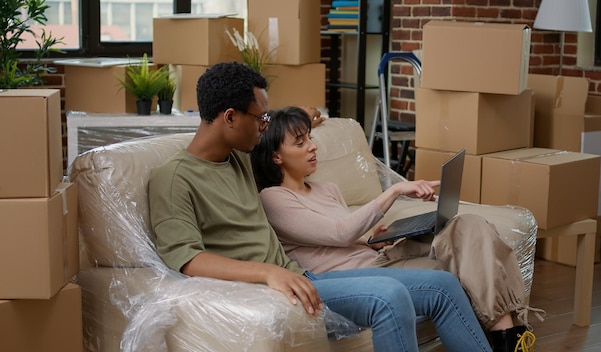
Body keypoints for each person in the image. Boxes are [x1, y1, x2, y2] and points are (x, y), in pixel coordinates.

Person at [148, 62, 494, 352]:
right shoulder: (174, 178)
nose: (264, 126)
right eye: (260, 118)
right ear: (229, 117)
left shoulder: (237, 157)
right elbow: (188, 259)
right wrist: (269, 272)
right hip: (270, 287)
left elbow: (281, 140)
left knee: (443, 285)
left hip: (303, 276)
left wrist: (306, 117)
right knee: (389, 296)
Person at [250, 106, 545, 352]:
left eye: (310, 138)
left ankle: (509, 335)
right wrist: (395, 191)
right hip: (350, 279)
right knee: (451, 275)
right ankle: (507, 340)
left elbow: (350, 236)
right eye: (300, 143)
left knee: (470, 226)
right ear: (276, 156)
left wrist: (374, 238)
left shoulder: (326, 189)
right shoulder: (274, 198)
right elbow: (339, 232)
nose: (313, 147)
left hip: (379, 257)